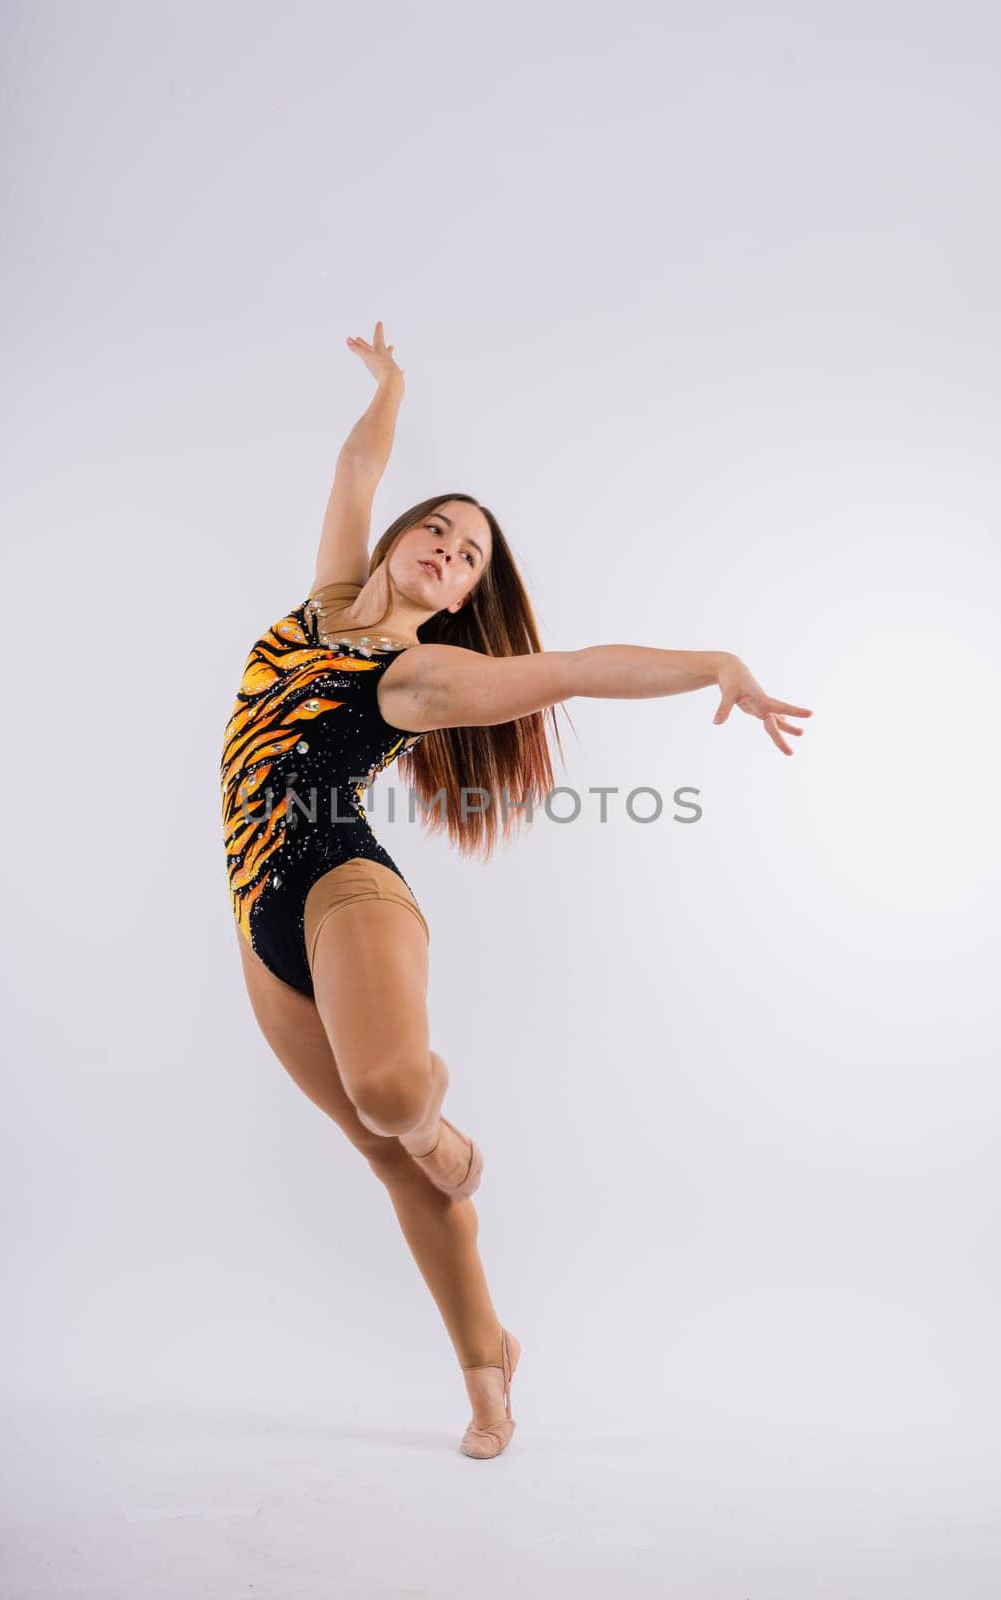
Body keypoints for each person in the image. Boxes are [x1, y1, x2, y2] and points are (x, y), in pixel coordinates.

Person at [220, 321, 813, 1460]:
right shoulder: (325, 600)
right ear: (399, 542)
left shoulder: (423, 676)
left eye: (470, 555)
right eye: (436, 529)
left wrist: (715, 666)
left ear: (465, 600)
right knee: (382, 1157)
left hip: (341, 883)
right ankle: (489, 1366)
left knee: (394, 1101)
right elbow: (355, 467)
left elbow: (575, 667)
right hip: (256, 915)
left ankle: (438, 1123)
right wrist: (391, 381)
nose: (446, 548)